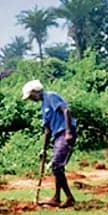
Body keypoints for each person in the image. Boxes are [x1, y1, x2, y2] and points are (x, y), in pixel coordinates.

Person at [22, 79, 78, 208]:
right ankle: (57, 197)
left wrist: (69, 132)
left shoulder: (51, 96)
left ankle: (69, 198)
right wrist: (44, 149)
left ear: (35, 92)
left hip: (65, 133)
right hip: (57, 136)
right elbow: (47, 130)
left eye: (31, 97)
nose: (31, 99)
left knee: (57, 166)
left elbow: (66, 111)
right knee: (57, 168)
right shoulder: (43, 106)